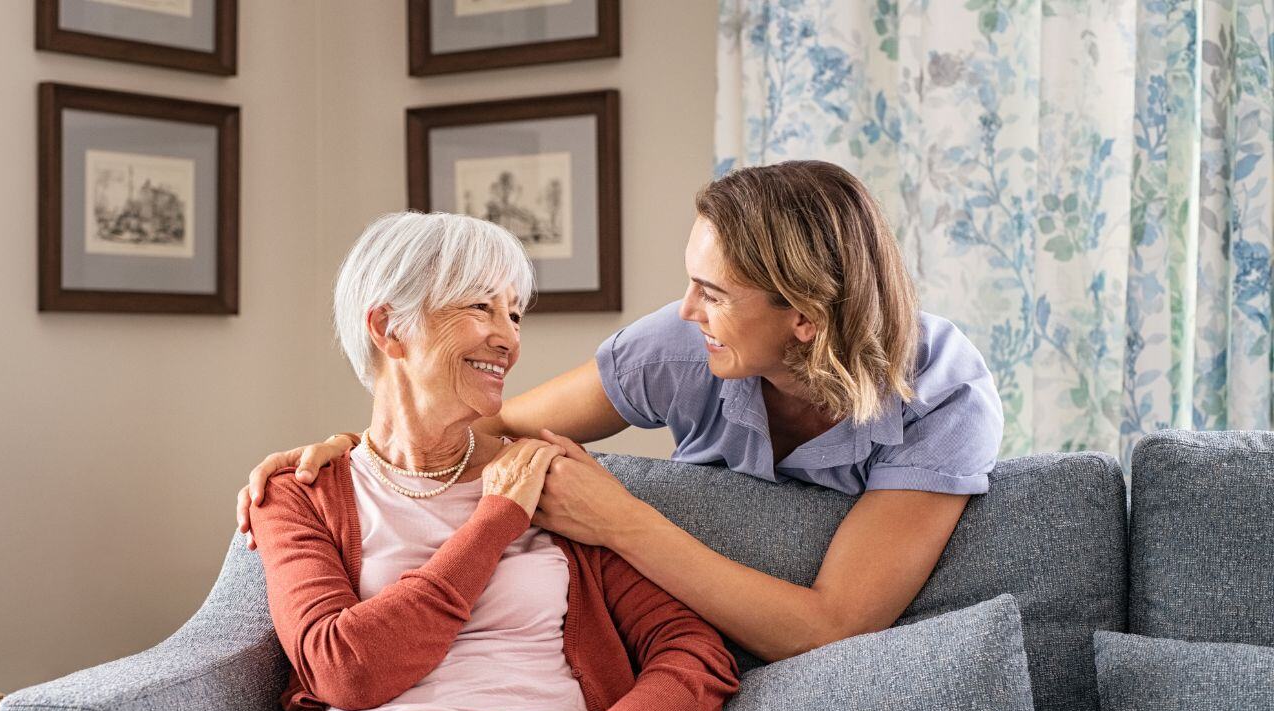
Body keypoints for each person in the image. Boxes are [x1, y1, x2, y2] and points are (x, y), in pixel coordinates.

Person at [238, 160, 1005, 664]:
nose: (684, 308)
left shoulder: (942, 393)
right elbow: (487, 430)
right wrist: (357, 448)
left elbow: (834, 628)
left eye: (714, 293)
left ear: (804, 317)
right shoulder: (679, 347)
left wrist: (619, 520)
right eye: (690, 280)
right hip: (679, 642)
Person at [245, 211, 739, 711]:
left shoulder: (557, 485)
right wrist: (494, 524)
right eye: (481, 307)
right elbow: (345, 670)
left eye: (515, 313)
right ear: (389, 328)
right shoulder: (300, 492)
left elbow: (695, 653)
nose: (507, 338)